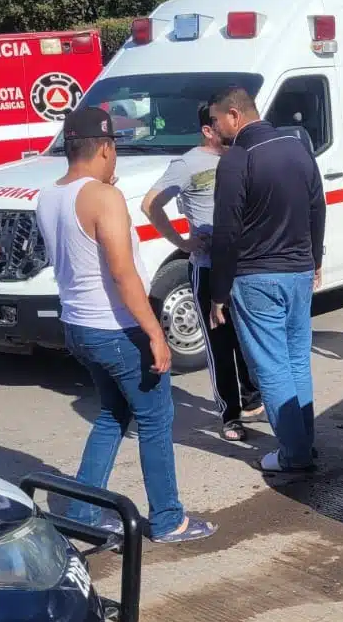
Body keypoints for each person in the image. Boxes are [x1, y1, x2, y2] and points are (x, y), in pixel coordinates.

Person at [36, 106, 213, 544]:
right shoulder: (103, 197)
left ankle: (82, 512)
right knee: (155, 419)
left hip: (77, 324)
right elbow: (122, 272)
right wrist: (155, 332)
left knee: (114, 414)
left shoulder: (48, 194)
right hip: (115, 329)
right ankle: (169, 519)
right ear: (106, 148)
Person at [206, 87, 327, 478]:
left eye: (217, 119)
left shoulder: (237, 160)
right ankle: (303, 440)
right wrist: (316, 259)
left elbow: (225, 233)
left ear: (235, 115)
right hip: (297, 271)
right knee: (295, 359)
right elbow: (317, 205)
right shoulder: (296, 147)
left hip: (256, 277)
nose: (214, 127)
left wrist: (218, 293)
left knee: (272, 367)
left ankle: (294, 454)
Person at [141, 105, 263, 445]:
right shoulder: (187, 164)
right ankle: (229, 414)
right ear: (208, 130)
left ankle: (253, 399)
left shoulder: (242, 155)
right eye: (220, 123)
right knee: (220, 344)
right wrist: (180, 241)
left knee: (248, 339)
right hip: (208, 267)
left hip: (246, 266)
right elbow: (150, 203)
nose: (229, 128)